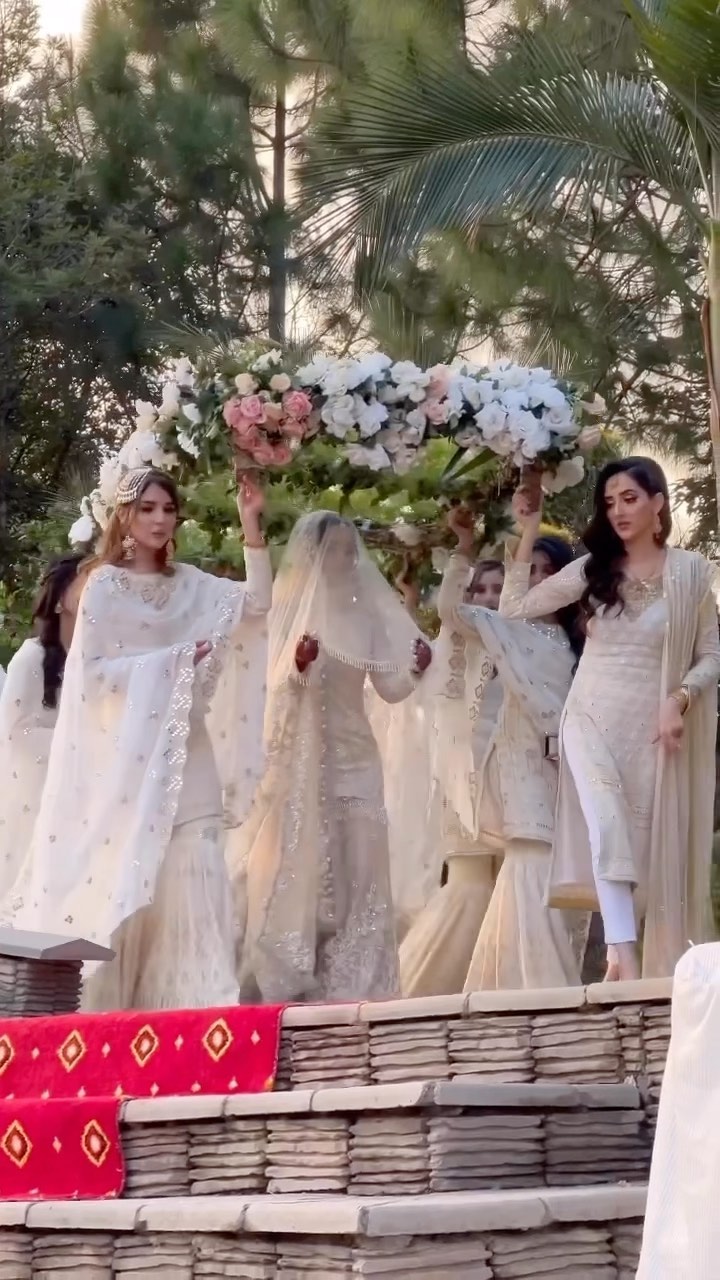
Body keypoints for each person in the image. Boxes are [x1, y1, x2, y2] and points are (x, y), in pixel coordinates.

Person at [5, 466, 271, 1011]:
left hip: (190, 752)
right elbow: (94, 676)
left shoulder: (192, 584)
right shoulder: (103, 587)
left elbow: (258, 603)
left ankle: (201, 1009)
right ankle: (120, 1016)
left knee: (198, 864)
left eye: (168, 509)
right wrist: (173, 662)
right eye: (147, 508)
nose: (159, 519)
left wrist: (251, 526)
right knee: (136, 874)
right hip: (130, 766)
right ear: (125, 516)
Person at [500, 456, 720, 981]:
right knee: (607, 824)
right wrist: (528, 530)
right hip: (589, 718)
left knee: (644, 846)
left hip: (648, 728)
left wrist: (679, 700)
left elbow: (712, 654)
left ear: (658, 502)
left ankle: (632, 958)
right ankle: (625, 954)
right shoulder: (593, 570)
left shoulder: (690, 572)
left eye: (630, 498)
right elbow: (512, 608)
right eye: (610, 502)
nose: (618, 511)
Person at [231, 511, 432, 1004]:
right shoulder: (288, 610)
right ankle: (304, 976)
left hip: (358, 756)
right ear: (312, 555)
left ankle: (360, 982)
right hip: (302, 760)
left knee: (362, 866)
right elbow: (268, 686)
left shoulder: (366, 618)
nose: (343, 559)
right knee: (309, 864)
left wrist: (415, 670)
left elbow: (390, 690)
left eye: (348, 550)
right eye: (333, 550)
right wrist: (298, 666)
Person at [451, 530, 584, 991]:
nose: (541, 580)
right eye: (533, 572)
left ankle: (506, 985)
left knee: (544, 864)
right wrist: (464, 551)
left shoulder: (579, 644)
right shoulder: (507, 630)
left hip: (562, 767)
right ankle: (541, 986)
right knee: (528, 855)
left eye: (551, 572)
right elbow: (450, 611)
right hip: (518, 762)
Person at [399, 506, 506, 996]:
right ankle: (415, 993)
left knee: (504, 894)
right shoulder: (451, 646)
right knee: (468, 887)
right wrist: (463, 549)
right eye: (479, 589)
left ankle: (491, 990)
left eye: (498, 589)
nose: (488, 597)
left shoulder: (522, 645)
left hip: (511, 786)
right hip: (461, 787)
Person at [0, 555, 84, 903]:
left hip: (81, 801)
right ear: (61, 600)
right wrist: (80, 742)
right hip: (33, 801)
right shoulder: (31, 657)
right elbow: (15, 732)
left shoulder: (96, 660)